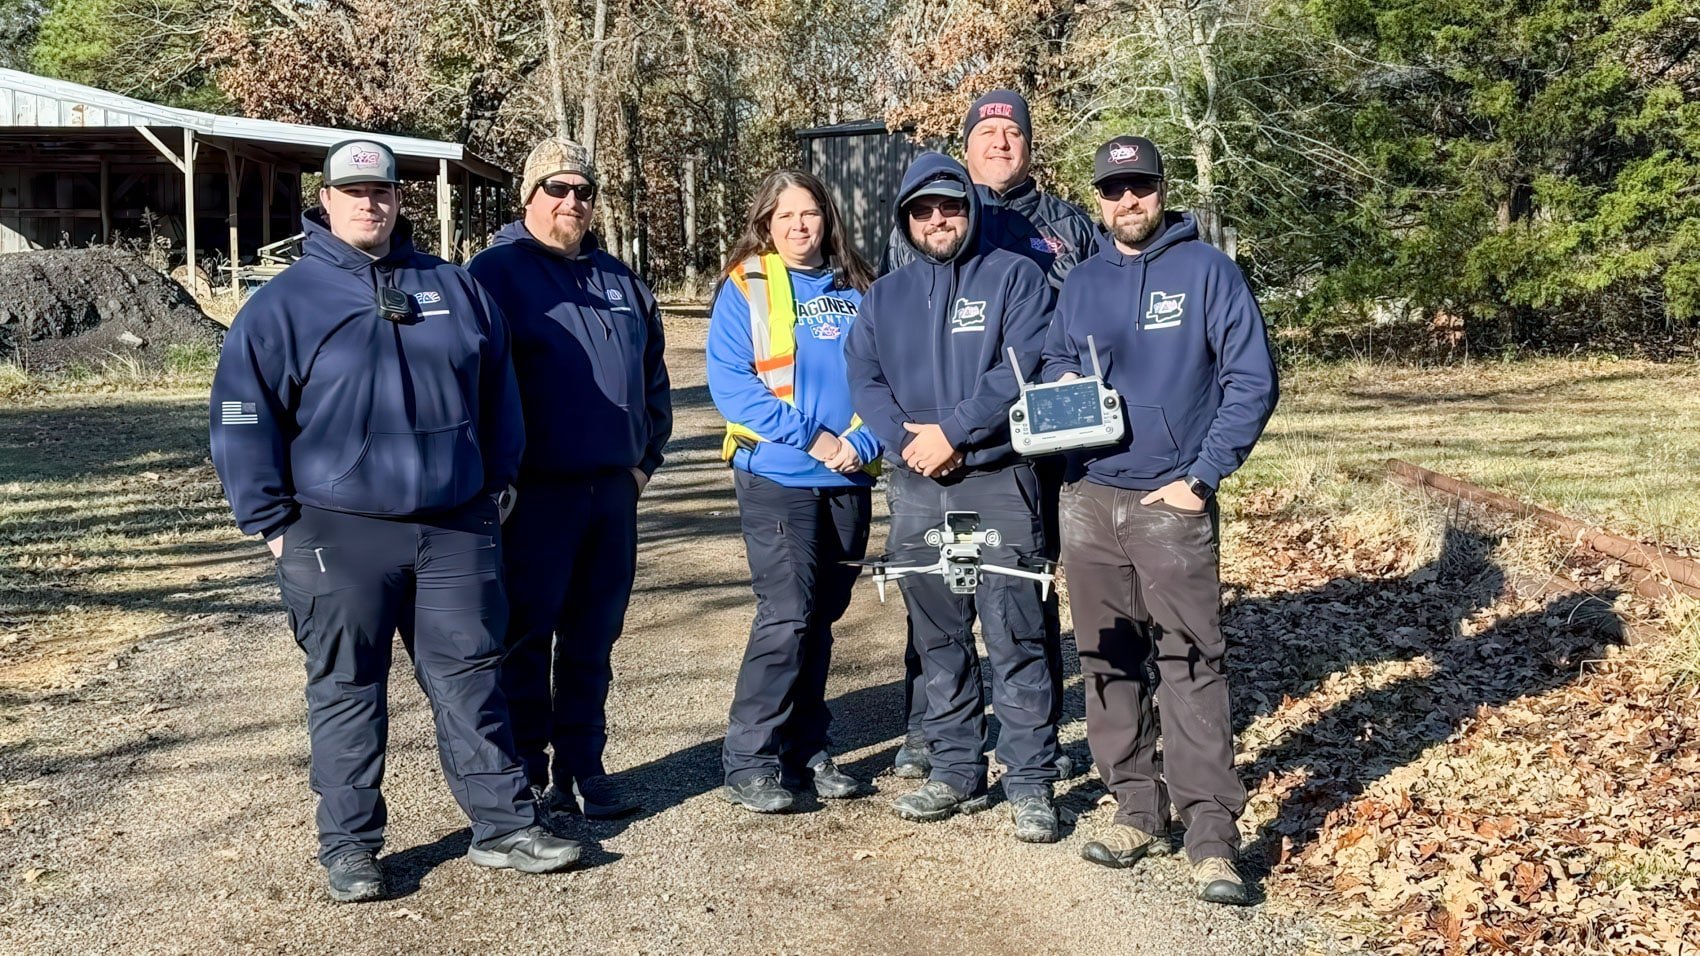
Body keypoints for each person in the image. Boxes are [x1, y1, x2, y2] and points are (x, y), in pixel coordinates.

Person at [209, 140, 579, 903]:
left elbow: (499, 393)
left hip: (453, 528)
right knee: (347, 689)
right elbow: (243, 418)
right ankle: (350, 847)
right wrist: (274, 522)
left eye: (380, 190)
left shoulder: (451, 286)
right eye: (353, 191)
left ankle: (504, 825)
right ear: (326, 201)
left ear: (397, 199)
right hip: (337, 532)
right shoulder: (284, 303)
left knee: (472, 679)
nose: (369, 203)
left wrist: (495, 487)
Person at [1042, 135, 1279, 905]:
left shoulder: (1208, 271)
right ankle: (1136, 808)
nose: (1128, 201)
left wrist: (1201, 478)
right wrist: (1065, 395)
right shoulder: (1078, 283)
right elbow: (1048, 370)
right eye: (1113, 190)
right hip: (1090, 498)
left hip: (1171, 503)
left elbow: (1251, 380)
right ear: (1098, 199)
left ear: (1160, 189)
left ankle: (1211, 834)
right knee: (1107, 662)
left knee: (1191, 663)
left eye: (1140, 186)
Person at [845, 151, 1063, 842]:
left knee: (1017, 637)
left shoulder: (1016, 278)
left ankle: (1030, 782)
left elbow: (1022, 368)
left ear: (970, 210)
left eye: (951, 207)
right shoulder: (885, 296)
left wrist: (956, 433)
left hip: (999, 478)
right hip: (917, 488)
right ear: (906, 220)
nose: (938, 220)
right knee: (939, 640)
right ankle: (957, 770)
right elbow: (866, 379)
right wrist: (909, 445)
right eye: (923, 210)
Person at [880, 91, 1096, 779]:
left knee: (1027, 583)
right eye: (988, 132)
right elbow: (895, 330)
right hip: (941, 442)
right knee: (937, 577)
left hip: (1043, 438)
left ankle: (1037, 741)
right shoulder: (934, 213)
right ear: (966, 144)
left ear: (1029, 144)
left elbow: (1093, 315)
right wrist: (919, 434)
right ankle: (929, 729)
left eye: (1012, 131)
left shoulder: (1066, 225)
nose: (1000, 142)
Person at [467, 137, 672, 820]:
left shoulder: (622, 282)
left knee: (593, 636)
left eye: (584, 190)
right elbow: (471, 385)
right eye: (557, 188)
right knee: (526, 637)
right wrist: (497, 479)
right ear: (529, 196)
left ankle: (583, 766)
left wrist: (644, 463)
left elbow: (654, 383)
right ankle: (526, 770)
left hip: (611, 492)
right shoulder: (494, 276)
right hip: (535, 495)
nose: (572, 201)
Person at [706, 169, 881, 813]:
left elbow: (885, 380)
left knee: (823, 618)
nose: (798, 227)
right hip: (777, 475)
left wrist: (860, 445)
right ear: (767, 223)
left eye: (809, 214)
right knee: (786, 614)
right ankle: (750, 758)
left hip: (847, 478)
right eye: (785, 217)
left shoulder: (859, 288)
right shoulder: (746, 288)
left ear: (827, 219)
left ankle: (806, 748)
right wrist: (814, 438)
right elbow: (734, 386)